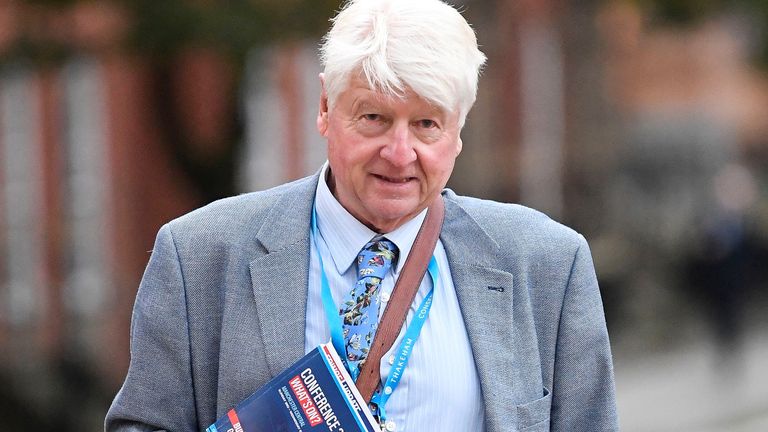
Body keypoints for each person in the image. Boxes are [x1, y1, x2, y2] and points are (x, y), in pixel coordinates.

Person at [105, 0, 618, 430]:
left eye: (426, 125)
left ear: (458, 129)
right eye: (374, 118)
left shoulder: (548, 264)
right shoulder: (199, 257)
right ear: (326, 107)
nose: (399, 153)